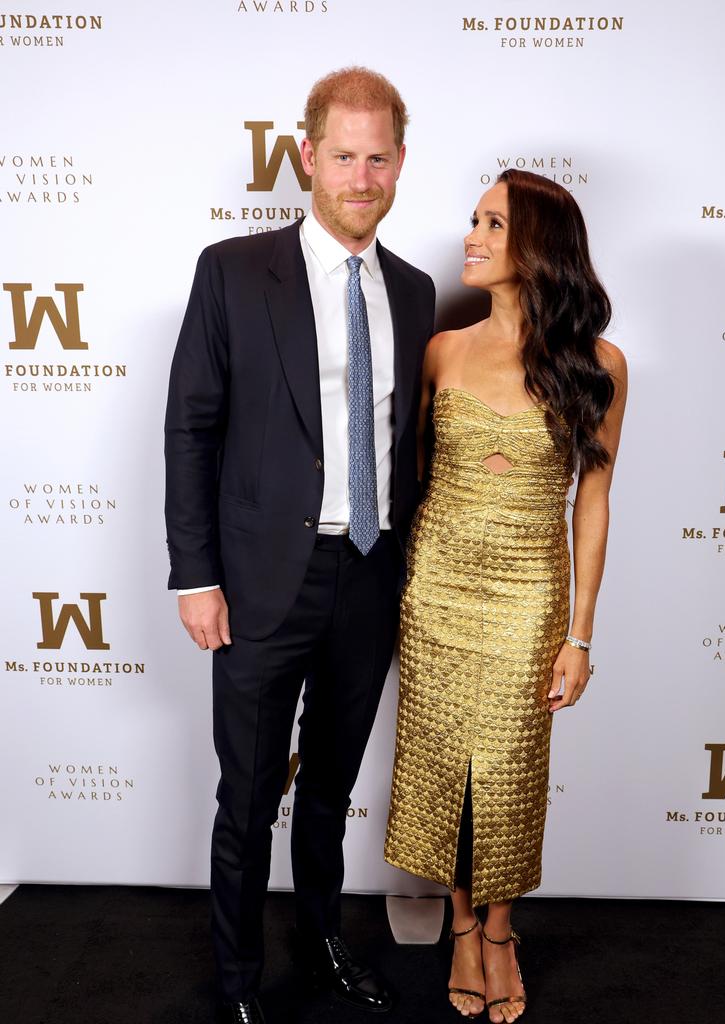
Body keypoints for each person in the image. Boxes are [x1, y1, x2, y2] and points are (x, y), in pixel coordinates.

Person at [164, 67, 435, 1024]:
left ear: (400, 162)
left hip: (368, 574)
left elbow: (409, 441)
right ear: (308, 157)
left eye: (379, 157)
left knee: (328, 790)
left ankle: (322, 946)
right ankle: (238, 985)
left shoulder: (413, 288)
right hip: (257, 581)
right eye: (344, 155)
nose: (361, 176)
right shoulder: (234, 270)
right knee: (247, 799)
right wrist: (195, 576)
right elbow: (192, 427)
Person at [384, 169, 627, 1022]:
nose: (472, 236)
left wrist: (580, 635)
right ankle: (459, 925)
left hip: (529, 595)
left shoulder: (598, 365)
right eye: (473, 219)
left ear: (538, 248)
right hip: (437, 589)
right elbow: (403, 476)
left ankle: (499, 929)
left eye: (493, 223)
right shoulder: (443, 349)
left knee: (510, 775)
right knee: (446, 768)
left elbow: (591, 501)